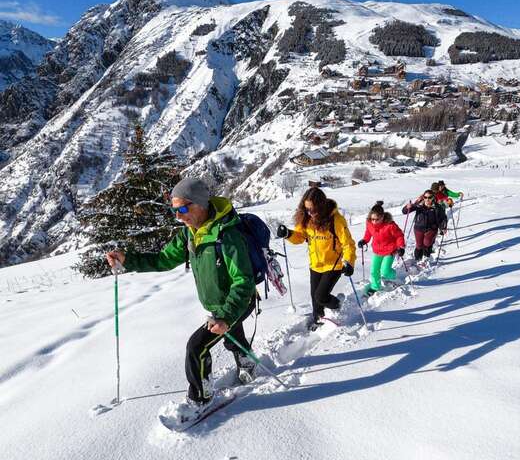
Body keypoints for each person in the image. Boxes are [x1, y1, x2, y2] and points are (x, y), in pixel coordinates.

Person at [105, 177, 257, 417]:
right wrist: (128, 260)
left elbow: (243, 281)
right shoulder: (190, 234)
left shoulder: (227, 236)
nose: (178, 215)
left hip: (238, 302)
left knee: (196, 347)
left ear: (200, 204)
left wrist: (226, 315)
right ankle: (247, 360)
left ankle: (201, 397)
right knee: (231, 337)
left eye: (183, 209)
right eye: (174, 210)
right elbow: (163, 259)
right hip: (218, 305)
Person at [276, 187, 356, 329]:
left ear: (321, 206)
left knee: (321, 296)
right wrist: (288, 234)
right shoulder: (306, 219)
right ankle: (317, 319)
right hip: (315, 264)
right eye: (307, 209)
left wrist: (349, 262)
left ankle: (337, 304)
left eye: (313, 209)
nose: (310, 212)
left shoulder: (336, 220)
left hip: (333, 264)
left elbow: (348, 244)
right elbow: (300, 237)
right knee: (315, 298)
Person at [357, 201, 405, 296]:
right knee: (374, 271)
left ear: (382, 217)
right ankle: (375, 287)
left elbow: (399, 236)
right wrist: (364, 240)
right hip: (377, 250)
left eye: (377, 219)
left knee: (385, 271)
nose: (374, 221)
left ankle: (394, 276)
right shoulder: (369, 223)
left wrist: (401, 247)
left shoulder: (390, 225)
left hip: (390, 250)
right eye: (372, 219)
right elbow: (368, 232)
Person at [402, 189, 447, 261]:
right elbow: (404, 211)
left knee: (427, 243)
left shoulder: (437, 207)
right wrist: (407, 207)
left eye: (429, 197)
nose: (427, 199)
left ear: (433, 197)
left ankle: (426, 258)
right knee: (419, 245)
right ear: (423, 197)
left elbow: (443, 218)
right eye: (425, 197)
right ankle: (417, 259)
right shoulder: (419, 205)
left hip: (432, 228)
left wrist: (443, 227)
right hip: (418, 228)